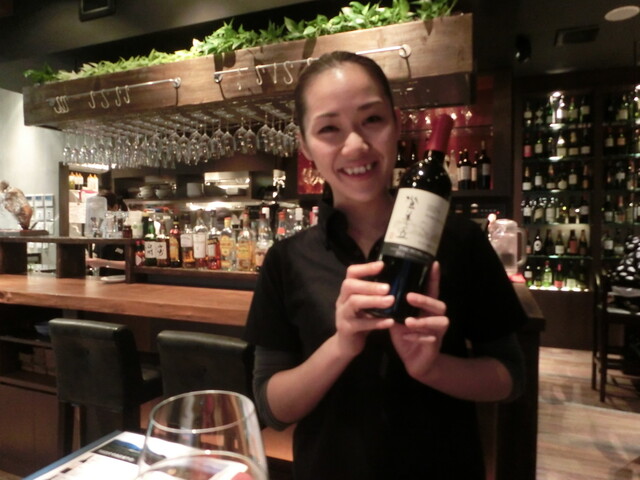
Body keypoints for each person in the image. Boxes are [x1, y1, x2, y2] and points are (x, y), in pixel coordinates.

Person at [243, 51, 527, 480]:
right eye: (329, 129)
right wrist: (341, 346)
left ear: (396, 125)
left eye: (372, 119)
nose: (355, 145)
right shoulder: (287, 259)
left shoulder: (461, 241)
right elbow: (271, 408)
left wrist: (432, 367)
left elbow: (511, 376)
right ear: (305, 146)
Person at [85, 190, 126, 276]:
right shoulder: (100, 232)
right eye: (97, 210)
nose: (100, 214)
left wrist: (104, 263)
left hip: (124, 280)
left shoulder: (126, 231)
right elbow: (97, 256)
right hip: (102, 280)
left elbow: (133, 264)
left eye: (103, 209)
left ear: (115, 207)